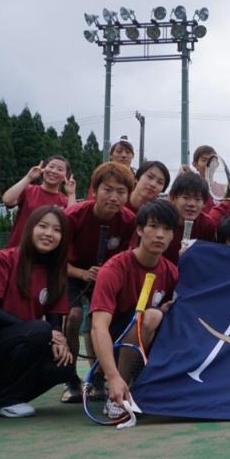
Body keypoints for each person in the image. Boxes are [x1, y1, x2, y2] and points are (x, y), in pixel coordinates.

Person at [0, 206, 76, 417]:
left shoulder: (55, 271)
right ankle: (5, 398)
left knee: (65, 366)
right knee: (40, 329)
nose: (49, 233)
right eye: (43, 226)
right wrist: (43, 331)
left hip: (28, 340)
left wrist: (59, 340)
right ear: (30, 228)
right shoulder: (2, 259)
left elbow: (54, 318)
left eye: (57, 230)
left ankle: (2, 398)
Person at [90, 201, 179, 415]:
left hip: (145, 346)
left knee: (160, 316)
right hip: (113, 344)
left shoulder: (171, 272)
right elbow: (98, 327)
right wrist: (113, 377)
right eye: (153, 227)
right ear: (139, 230)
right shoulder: (113, 269)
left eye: (167, 229)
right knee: (151, 316)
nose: (160, 235)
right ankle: (118, 393)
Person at [60, 162, 137, 402]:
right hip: (72, 274)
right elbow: (55, 260)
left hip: (106, 277)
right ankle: (70, 378)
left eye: (121, 192)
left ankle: (97, 377)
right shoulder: (72, 216)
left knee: (101, 319)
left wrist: (106, 273)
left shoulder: (130, 221)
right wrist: (83, 273)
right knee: (73, 316)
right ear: (94, 190)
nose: (114, 197)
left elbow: (128, 259)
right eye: (108, 190)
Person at [2, 156, 76, 247]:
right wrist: (29, 177)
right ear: (43, 169)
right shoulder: (28, 190)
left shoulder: (65, 201)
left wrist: (71, 194)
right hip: (18, 248)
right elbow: (7, 200)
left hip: (48, 251)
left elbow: (72, 223)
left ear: (66, 176)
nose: (54, 171)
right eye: (51, 166)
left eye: (60, 169)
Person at [165, 172, 217, 264]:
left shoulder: (207, 225)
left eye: (197, 199)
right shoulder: (161, 220)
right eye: (186, 197)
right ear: (173, 198)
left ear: (204, 203)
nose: (191, 204)